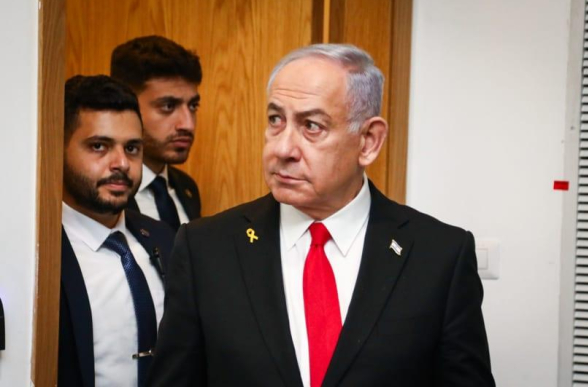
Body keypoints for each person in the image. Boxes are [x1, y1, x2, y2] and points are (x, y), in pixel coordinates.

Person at [148, 44, 495, 386]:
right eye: (275, 120)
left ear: (368, 141)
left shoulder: (440, 256)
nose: (282, 149)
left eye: (312, 126)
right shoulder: (206, 249)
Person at [58, 75, 175, 387]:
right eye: (99, 146)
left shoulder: (166, 239)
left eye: (132, 148)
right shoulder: (38, 253)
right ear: (58, 149)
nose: (121, 163)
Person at [111, 35, 203, 230]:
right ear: (126, 105)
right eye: (168, 106)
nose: (187, 124)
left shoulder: (187, 188)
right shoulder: (106, 189)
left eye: (193, 106)